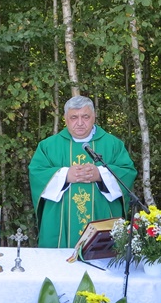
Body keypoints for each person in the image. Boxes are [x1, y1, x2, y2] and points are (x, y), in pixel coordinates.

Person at [28, 95, 137, 248]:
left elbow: (127, 172)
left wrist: (100, 174)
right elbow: (36, 174)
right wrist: (65, 175)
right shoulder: (48, 146)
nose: (80, 123)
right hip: (60, 223)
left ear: (94, 116)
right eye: (74, 117)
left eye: (85, 117)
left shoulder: (113, 144)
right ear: (65, 119)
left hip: (101, 216)